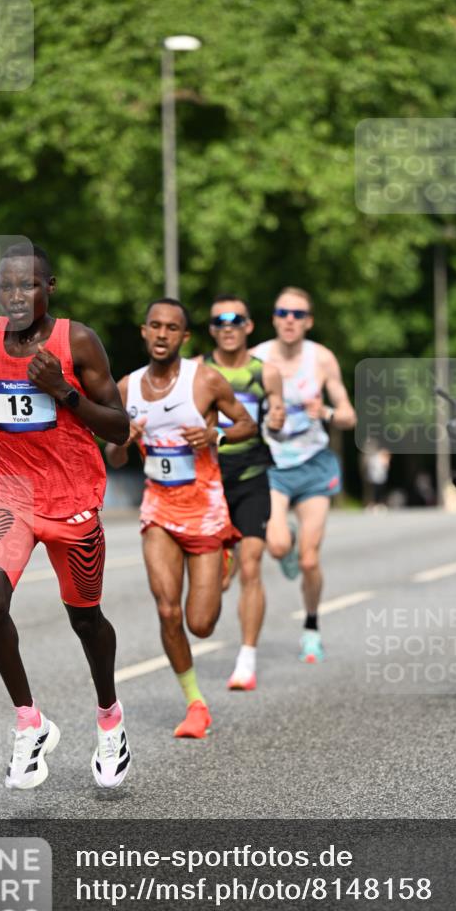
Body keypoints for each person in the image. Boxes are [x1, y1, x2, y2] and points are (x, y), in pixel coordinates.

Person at [0, 243, 132, 790]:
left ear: (49, 287)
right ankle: (29, 721)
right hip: (11, 493)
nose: (16, 296)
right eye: (6, 286)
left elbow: (120, 428)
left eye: (28, 285)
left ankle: (110, 718)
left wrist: (63, 392)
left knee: (84, 619)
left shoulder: (76, 341)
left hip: (73, 498)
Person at [105, 298, 256, 737]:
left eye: (172, 327)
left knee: (201, 624)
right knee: (167, 609)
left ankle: (225, 557)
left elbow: (248, 424)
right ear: (143, 331)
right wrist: (123, 441)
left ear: (184, 337)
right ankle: (195, 704)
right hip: (158, 510)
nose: (162, 334)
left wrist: (216, 434)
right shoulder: (125, 389)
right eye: (155, 325)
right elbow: (113, 458)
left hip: (206, 513)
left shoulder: (206, 380)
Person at [252, 286, 357, 663]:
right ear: (274, 318)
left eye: (298, 314)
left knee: (309, 561)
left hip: (314, 465)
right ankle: (288, 535)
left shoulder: (322, 359)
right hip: (275, 466)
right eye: (283, 313)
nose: (290, 320)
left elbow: (348, 415)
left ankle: (311, 629)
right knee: (278, 546)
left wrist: (325, 411)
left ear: (308, 321)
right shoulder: (257, 357)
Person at [202, 294, 285, 691]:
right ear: (211, 329)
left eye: (236, 319)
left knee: (251, 563)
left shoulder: (264, 373)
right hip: (209, 481)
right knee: (217, 579)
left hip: (252, 475)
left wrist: (280, 418)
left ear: (249, 326)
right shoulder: (199, 372)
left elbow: (278, 417)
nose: (228, 326)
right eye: (219, 321)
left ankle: (247, 658)